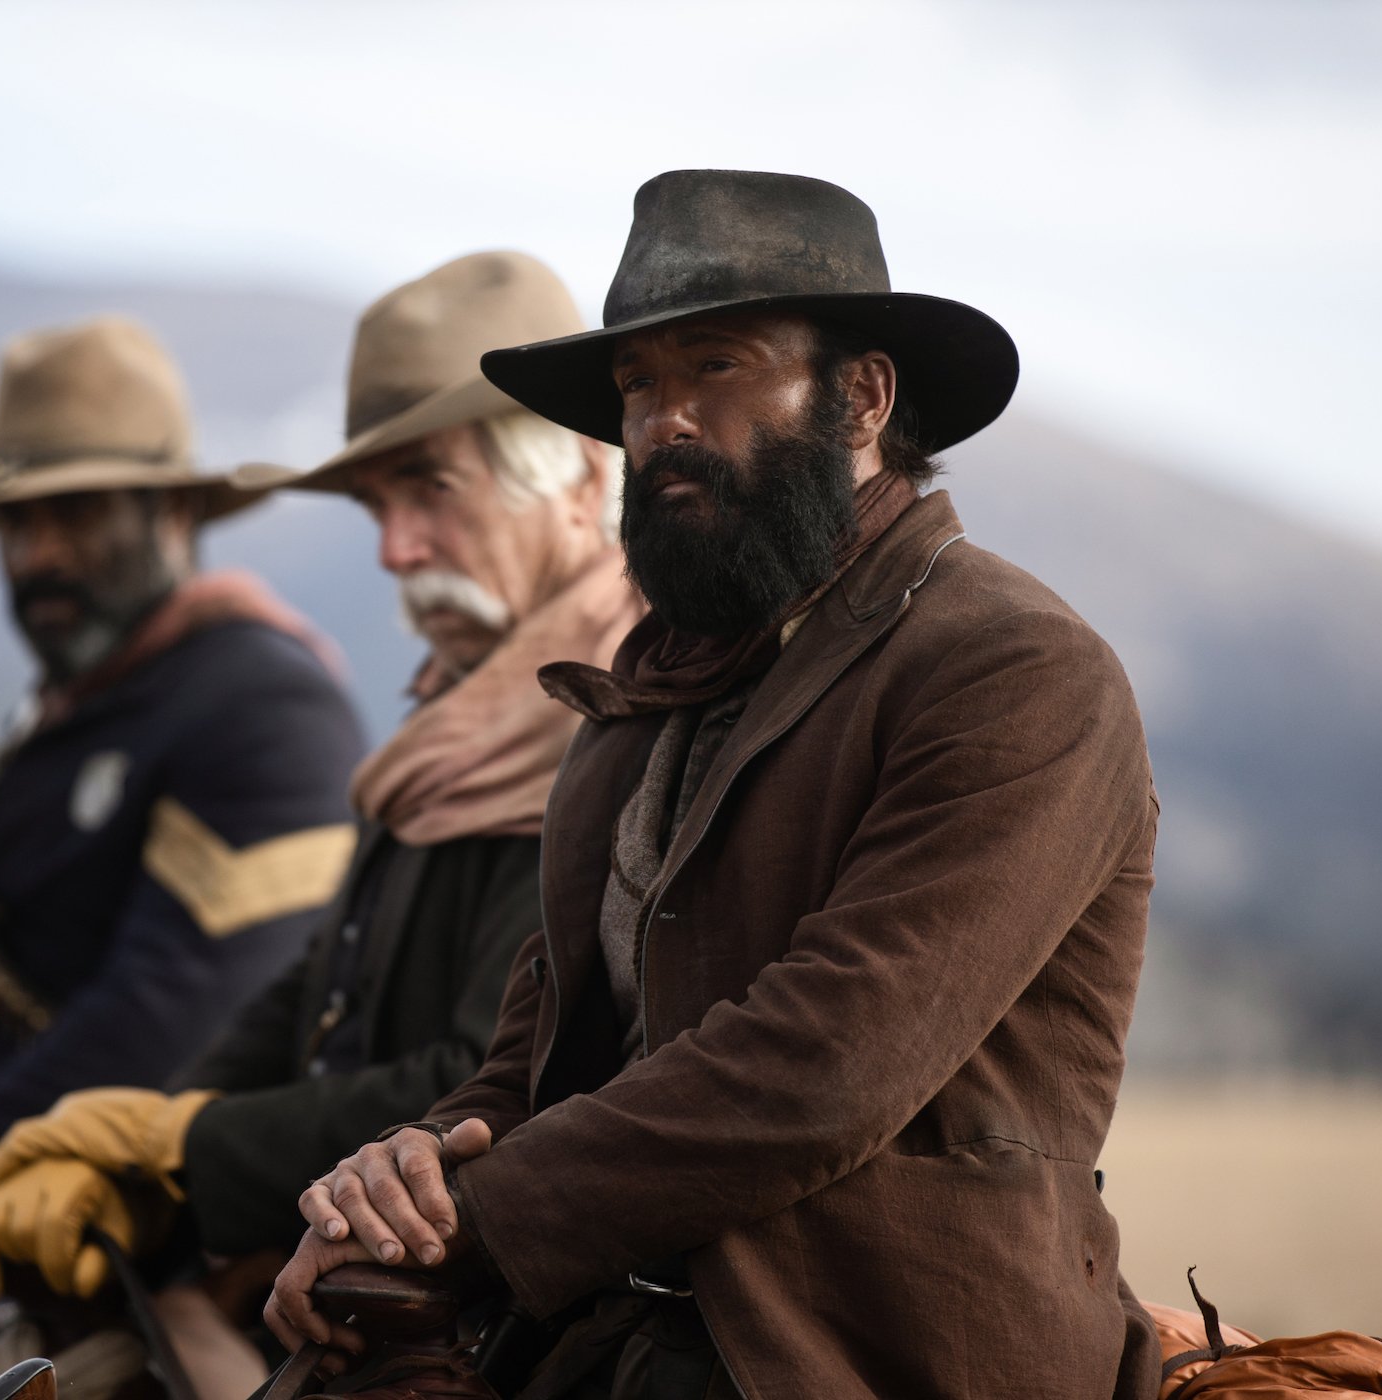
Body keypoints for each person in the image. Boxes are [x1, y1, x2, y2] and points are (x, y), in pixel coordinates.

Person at [271, 171, 1164, 1400]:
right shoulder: (645, 702)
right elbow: (538, 1057)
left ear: (859, 396)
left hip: (872, 1351)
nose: (664, 420)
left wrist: (480, 1217)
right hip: (614, 1336)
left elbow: (826, 1061)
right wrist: (405, 1174)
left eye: (718, 368)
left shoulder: (1015, 667)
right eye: (639, 384)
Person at [0, 253, 644, 1332]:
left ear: (579, 481)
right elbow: (322, 982)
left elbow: (476, 1077)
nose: (394, 549)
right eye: (378, 501)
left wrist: (180, 1149)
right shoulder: (462, 715)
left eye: (431, 488)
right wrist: (143, 1131)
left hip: (494, 1318)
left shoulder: (612, 718)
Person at [0, 316, 364, 1342]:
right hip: (0, 1223)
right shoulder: (87, 696)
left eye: (76, 514)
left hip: (146, 1256)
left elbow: (172, 1022)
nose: (38, 554)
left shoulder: (265, 706)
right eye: (15, 524)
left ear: (174, 510)